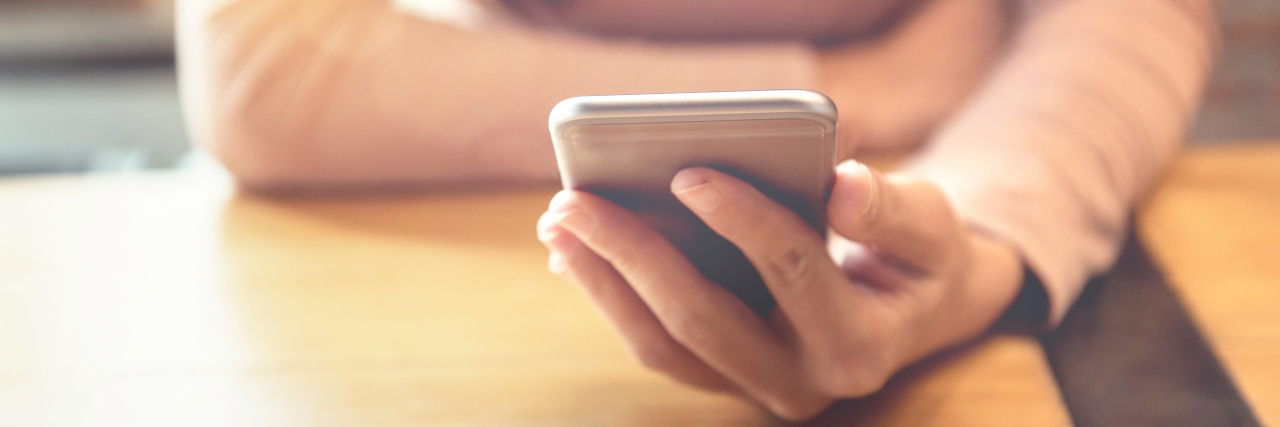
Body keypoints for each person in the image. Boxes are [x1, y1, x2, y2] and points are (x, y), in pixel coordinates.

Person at [177, 0, 1218, 420]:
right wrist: (864, 80)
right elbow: (257, 62)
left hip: (959, 169)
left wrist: (986, 242)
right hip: (489, 250)